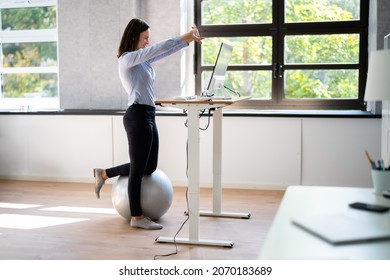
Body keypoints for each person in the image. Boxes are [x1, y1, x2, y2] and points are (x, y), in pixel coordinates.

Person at [93, 18, 203, 230]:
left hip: (149, 114)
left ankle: (104, 173)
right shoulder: (127, 59)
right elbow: (158, 48)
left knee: (148, 166)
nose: (147, 42)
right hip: (137, 116)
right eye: (144, 38)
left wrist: (186, 43)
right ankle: (137, 217)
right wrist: (184, 36)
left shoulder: (142, 61)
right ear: (134, 37)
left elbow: (162, 52)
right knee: (138, 171)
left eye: (148, 39)